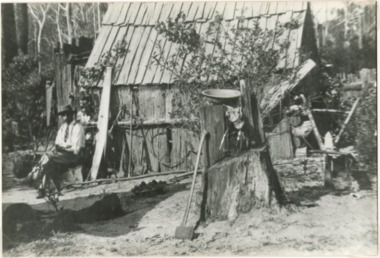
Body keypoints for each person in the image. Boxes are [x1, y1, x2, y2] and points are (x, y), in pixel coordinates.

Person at [37, 105, 85, 198]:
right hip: (62, 154)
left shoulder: (77, 127)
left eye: (67, 114)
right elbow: (57, 143)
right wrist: (63, 147)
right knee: (48, 163)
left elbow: (75, 149)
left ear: (72, 115)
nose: (65, 117)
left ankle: (42, 187)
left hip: (73, 156)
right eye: (63, 115)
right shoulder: (62, 127)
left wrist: (63, 147)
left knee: (47, 158)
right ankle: (44, 188)